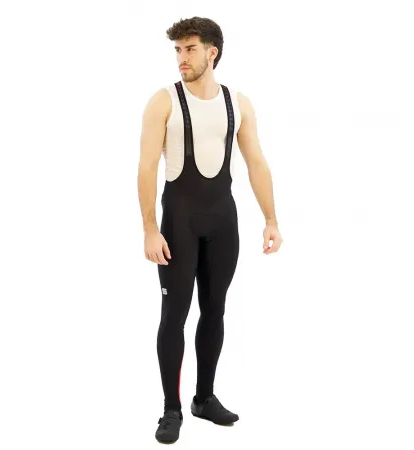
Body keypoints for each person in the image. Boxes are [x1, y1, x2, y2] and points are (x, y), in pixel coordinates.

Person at [137, 16, 283, 444]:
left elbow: (257, 163)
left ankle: (204, 398)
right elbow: (146, 167)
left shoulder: (238, 103)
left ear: (211, 52)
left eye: (189, 49)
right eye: (177, 50)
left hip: (223, 222)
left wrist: (271, 219)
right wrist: (149, 228)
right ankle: (172, 409)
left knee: (215, 309)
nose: (181, 58)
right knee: (174, 314)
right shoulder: (163, 101)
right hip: (177, 224)